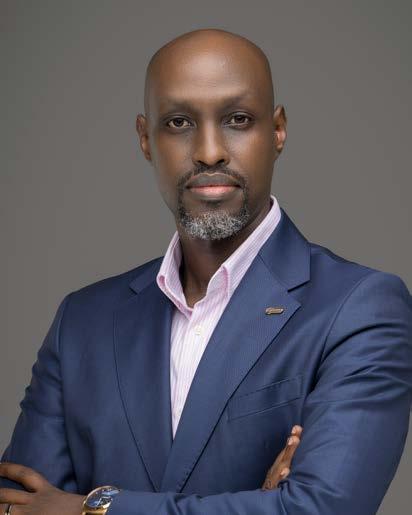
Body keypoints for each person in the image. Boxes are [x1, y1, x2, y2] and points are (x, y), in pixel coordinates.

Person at [1, 28, 411, 515]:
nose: (210, 150)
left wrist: (90, 508)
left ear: (277, 130)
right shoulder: (82, 323)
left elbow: (320, 509)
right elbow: (16, 505)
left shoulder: (361, 309)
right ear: (145, 139)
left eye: (238, 119)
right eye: (179, 122)